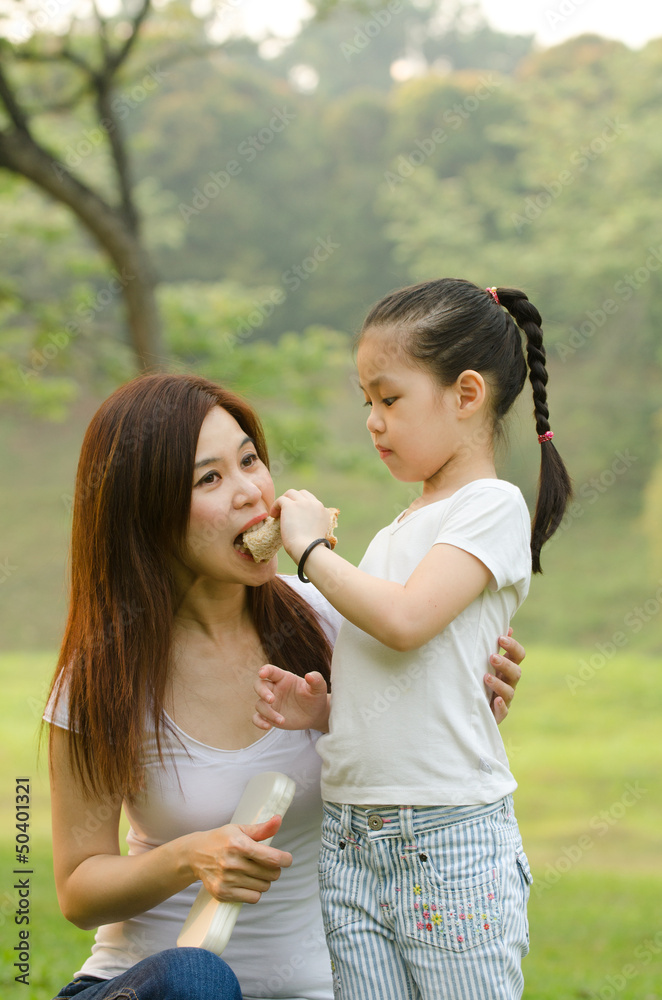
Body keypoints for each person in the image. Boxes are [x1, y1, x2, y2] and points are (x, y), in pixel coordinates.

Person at [44, 371, 526, 1000]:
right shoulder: (102, 673)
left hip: (321, 987)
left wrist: (469, 683)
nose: (251, 492)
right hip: (151, 985)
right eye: (209, 478)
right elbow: (78, 889)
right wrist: (190, 856)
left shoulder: (333, 617)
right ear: (146, 512)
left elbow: (425, 696)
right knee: (197, 980)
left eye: (250, 460)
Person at [254, 279, 572, 1000]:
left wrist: (308, 552)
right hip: (352, 835)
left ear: (466, 395)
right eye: (367, 401)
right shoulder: (400, 528)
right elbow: (404, 671)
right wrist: (325, 712)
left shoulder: (489, 506)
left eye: (388, 399)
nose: (372, 420)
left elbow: (404, 621)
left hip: (446, 834)